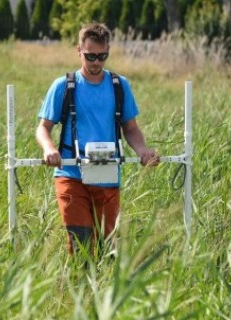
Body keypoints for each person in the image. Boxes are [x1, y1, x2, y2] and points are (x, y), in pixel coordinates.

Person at [35, 22, 159, 259]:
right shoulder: (63, 86)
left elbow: (130, 128)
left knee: (109, 248)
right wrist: (49, 148)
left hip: (106, 173)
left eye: (102, 56)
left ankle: (106, 293)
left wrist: (142, 150)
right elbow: (43, 128)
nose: (96, 63)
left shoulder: (119, 86)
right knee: (80, 243)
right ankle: (78, 292)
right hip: (71, 175)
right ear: (78, 51)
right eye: (90, 56)